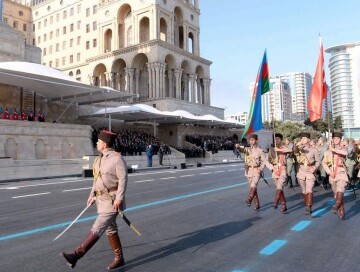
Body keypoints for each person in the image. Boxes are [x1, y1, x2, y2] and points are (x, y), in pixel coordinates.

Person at [61, 130, 128, 270]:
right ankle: (119, 258)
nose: (96, 143)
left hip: (112, 201)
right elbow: (96, 180)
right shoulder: (98, 159)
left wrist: (120, 198)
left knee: (98, 227)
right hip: (101, 200)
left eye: (98, 141)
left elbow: (123, 179)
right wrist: (92, 194)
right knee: (111, 230)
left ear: (104, 144)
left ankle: (76, 255)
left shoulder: (117, 158)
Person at [235, 134, 266, 210]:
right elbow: (242, 149)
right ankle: (257, 202)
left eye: (253, 140)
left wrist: (261, 169)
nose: (251, 141)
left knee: (253, 185)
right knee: (253, 187)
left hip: (256, 170)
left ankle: (249, 199)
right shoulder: (247, 149)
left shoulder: (260, 150)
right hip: (249, 171)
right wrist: (238, 147)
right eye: (250, 140)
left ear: (256, 141)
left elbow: (265, 161)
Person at [322, 132, 348, 220]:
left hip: (341, 173)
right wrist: (329, 172)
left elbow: (345, 153)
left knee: (340, 190)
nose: (336, 140)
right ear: (332, 139)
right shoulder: (327, 151)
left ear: (340, 140)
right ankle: (342, 209)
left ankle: (336, 206)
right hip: (332, 174)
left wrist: (334, 150)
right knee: (337, 193)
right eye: (334, 138)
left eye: (338, 138)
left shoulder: (343, 149)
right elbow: (324, 163)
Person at [294, 132, 320, 215]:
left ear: (309, 140)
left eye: (304, 138)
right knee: (304, 190)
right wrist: (296, 145)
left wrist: (314, 168)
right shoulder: (299, 148)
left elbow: (318, 161)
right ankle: (307, 203)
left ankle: (308, 206)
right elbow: (294, 150)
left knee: (309, 189)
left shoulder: (314, 150)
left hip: (310, 171)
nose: (303, 140)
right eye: (302, 138)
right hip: (301, 171)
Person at [266, 133, 292, 213]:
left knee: (280, 186)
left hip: (283, 169)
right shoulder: (271, 149)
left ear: (281, 140)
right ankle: (284, 204)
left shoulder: (284, 147)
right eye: (275, 138)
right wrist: (272, 168)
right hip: (275, 170)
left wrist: (280, 150)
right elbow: (266, 161)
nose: (276, 140)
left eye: (278, 138)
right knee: (279, 188)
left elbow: (291, 150)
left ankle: (276, 201)